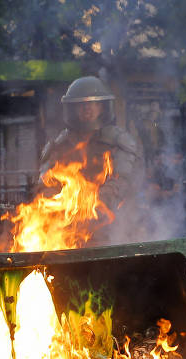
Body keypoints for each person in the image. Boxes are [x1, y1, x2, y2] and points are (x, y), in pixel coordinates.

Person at [39, 75, 143, 242]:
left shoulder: (118, 141)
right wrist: (60, 209)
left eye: (93, 103)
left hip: (114, 226)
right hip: (68, 228)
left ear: (102, 107)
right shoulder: (60, 144)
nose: (87, 109)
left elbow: (121, 181)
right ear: (72, 109)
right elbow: (46, 185)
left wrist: (93, 204)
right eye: (81, 104)